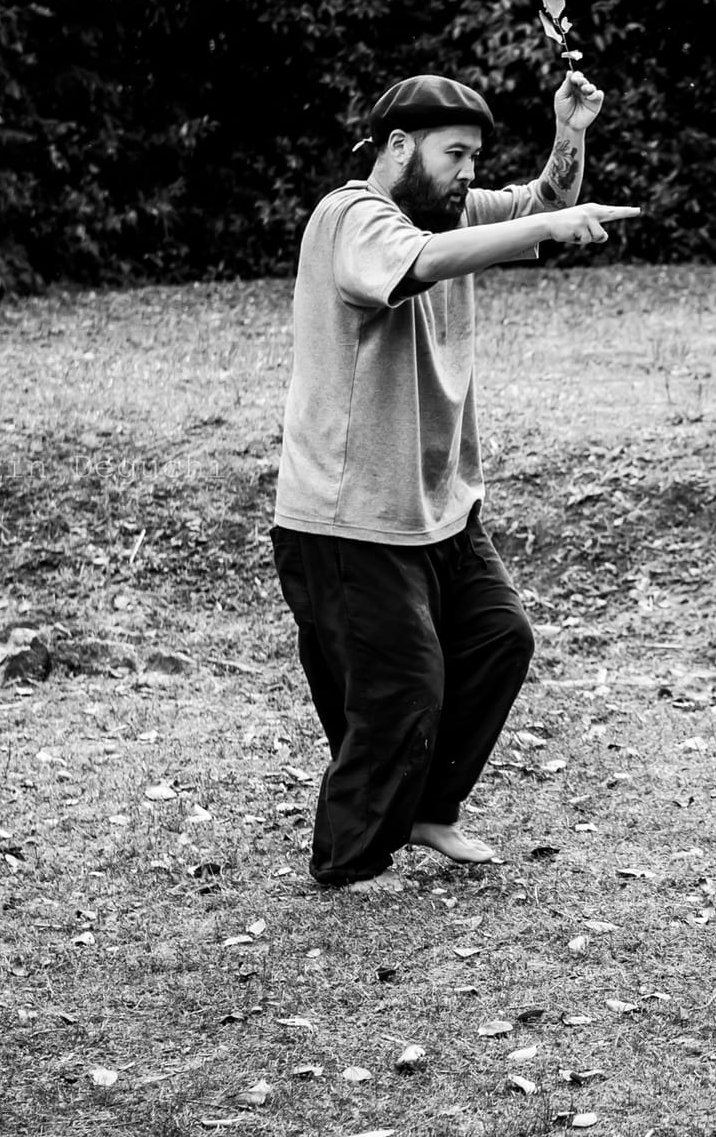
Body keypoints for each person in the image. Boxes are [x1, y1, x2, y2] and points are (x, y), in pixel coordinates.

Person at [271, 71, 640, 893]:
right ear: (400, 146)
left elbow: (541, 204)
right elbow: (420, 263)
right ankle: (351, 855)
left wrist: (568, 134)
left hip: (440, 506)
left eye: (476, 156)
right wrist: (546, 224)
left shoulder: (451, 214)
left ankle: (430, 809)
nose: (470, 173)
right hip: (349, 517)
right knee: (402, 689)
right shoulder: (352, 217)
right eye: (456, 155)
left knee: (499, 639)